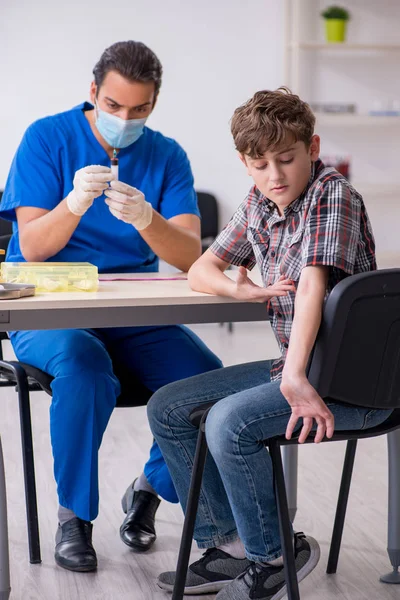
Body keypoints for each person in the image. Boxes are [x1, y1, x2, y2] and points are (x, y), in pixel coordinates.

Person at [147, 88, 392, 599]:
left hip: (351, 384)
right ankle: (229, 547)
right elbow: (200, 268)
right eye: (260, 165)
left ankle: (276, 555)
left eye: (286, 160)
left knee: (229, 421)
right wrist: (243, 286)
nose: (275, 175)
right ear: (245, 164)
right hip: (299, 367)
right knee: (168, 407)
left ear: (312, 147)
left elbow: (311, 286)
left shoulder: (333, 194)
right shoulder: (261, 201)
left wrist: (298, 377)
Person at [0, 40, 222, 572]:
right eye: (116, 106)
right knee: (85, 368)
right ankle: (74, 519)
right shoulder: (46, 138)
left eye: (140, 109)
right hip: (48, 301)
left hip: (130, 305)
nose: (126, 119)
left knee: (208, 382)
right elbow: (32, 247)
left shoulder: (167, 155)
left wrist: (149, 219)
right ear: (94, 92)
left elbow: (192, 255)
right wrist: (73, 204)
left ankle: (147, 488)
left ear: (154, 103)